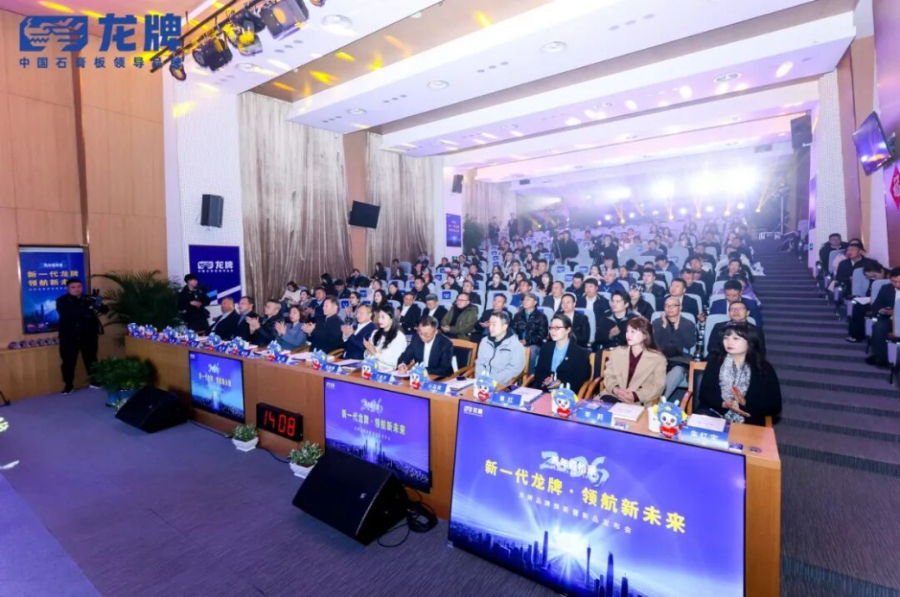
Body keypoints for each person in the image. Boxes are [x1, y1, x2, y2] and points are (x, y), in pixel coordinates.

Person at [697, 322, 782, 426]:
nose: (729, 342)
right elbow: (704, 395)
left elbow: (775, 406)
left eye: (735, 339)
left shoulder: (763, 368)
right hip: (716, 415)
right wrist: (725, 404)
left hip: (750, 420)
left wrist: (745, 403)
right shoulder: (715, 362)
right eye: (726, 338)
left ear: (749, 342)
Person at [56, 278, 109, 394]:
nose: (77, 289)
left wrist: (97, 303)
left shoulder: (88, 299)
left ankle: (95, 381)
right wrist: (88, 304)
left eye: (79, 286)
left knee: (91, 359)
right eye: (73, 287)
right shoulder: (62, 301)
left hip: (88, 335)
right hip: (69, 337)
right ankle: (68, 385)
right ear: (67, 289)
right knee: (68, 362)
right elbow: (71, 312)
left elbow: (105, 310)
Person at [598, 317, 667, 405]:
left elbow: (658, 386)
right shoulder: (617, 352)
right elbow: (608, 376)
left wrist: (635, 396)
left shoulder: (658, 359)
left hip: (639, 401)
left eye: (633, 332)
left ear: (645, 335)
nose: (628, 335)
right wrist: (616, 390)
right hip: (613, 396)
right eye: (627, 331)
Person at [529, 314, 592, 392]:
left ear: (568, 330)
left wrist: (560, 382)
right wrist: (545, 380)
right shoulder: (546, 348)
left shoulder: (580, 353)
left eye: (557, 328)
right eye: (551, 328)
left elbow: (580, 378)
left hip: (566, 393)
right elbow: (539, 371)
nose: (553, 331)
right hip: (544, 390)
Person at [652, 297, 697, 401]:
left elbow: (689, 344)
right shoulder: (657, 323)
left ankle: (659, 401)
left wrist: (677, 329)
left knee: (677, 372)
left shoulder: (688, 323)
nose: (669, 308)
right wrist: (664, 327)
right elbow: (655, 344)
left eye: (673, 306)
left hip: (679, 360)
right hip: (660, 358)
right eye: (667, 306)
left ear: (680, 307)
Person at [475, 311, 526, 388]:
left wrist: (492, 380)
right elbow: (480, 363)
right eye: (490, 324)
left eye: (494, 324)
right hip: (482, 383)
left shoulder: (515, 345)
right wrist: (481, 379)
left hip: (503, 385)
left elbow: (514, 369)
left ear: (504, 327)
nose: (490, 327)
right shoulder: (485, 341)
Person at [865, 267, 900, 367]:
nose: (897, 285)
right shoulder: (886, 288)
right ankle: (881, 358)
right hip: (889, 319)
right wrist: (883, 310)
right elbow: (875, 306)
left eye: (899, 282)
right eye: (894, 281)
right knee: (879, 326)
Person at [846, 262, 889, 342]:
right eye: (870, 278)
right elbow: (868, 293)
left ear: (881, 271)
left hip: (886, 303)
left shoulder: (891, 279)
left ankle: (856, 335)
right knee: (857, 306)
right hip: (872, 301)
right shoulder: (873, 281)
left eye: (874, 276)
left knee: (859, 308)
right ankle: (856, 334)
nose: (873, 279)